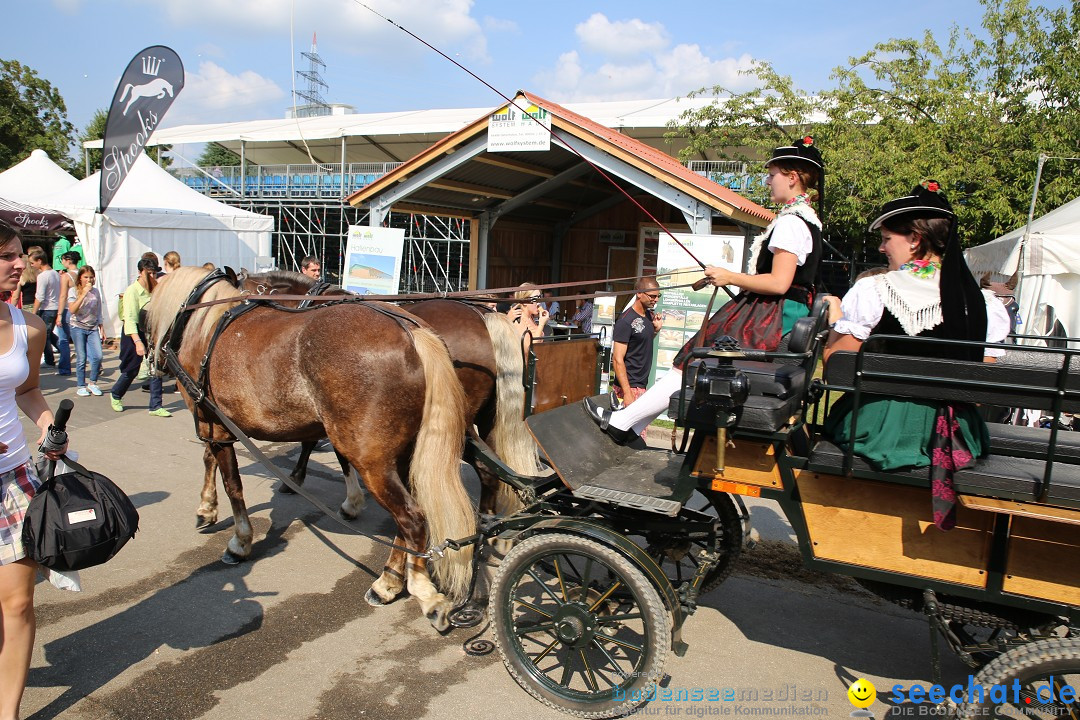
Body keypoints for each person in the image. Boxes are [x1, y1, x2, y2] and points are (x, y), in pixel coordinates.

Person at [585, 137, 825, 443]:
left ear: (793, 178)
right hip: (777, 312)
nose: (768, 181)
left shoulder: (792, 223)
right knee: (694, 355)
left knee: (694, 358)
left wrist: (730, 276)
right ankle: (630, 425)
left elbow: (779, 283)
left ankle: (624, 421)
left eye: (772, 174)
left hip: (773, 317)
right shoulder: (807, 220)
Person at [822, 182, 1010, 530]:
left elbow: (838, 367)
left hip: (880, 427)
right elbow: (984, 374)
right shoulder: (982, 303)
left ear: (914, 239)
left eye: (886, 238)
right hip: (956, 432)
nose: (881, 247)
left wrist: (833, 334)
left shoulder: (875, 289)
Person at [0, 224, 66, 720]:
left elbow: (27, 391)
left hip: (14, 478)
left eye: (19, 255)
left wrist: (49, 430)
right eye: (5, 256)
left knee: (18, 604)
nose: (19, 264)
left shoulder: (29, 326)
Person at [111, 258, 171, 417]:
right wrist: (138, 342)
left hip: (151, 330)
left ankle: (155, 406)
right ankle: (116, 394)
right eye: (148, 273)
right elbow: (129, 319)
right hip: (134, 332)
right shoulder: (132, 291)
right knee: (132, 368)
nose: (152, 276)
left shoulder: (156, 288)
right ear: (140, 272)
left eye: (154, 272)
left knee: (155, 366)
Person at [611, 278, 663, 436]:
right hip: (628, 386)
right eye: (652, 296)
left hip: (641, 386)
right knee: (628, 437)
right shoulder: (626, 321)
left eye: (657, 296)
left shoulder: (648, 316)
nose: (655, 300)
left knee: (637, 436)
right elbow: (617, 359)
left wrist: (655, 330)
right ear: (639, 293)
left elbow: (640, 344)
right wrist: (627, 393)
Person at [67, 266, 106, 397]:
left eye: (91, 277)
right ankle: (81, 385)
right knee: (81, 357)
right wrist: (83, 293)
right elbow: (72, 310)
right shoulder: (73, 291)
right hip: (77, 326)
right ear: (80, 278)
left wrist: (102, 327)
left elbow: (98, 310)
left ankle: (93, 383)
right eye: (85, 277)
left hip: (92, 327)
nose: (89, 280)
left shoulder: (96, 292)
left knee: (98, 356)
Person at [29, 253, 66, 373]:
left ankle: (50, 360)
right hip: (54, 307)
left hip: (47, 308)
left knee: (44, 335)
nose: (32, 265)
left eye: (33, 263)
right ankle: (63, 351)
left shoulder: (43, 276)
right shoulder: (54, 273)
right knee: (48, 333)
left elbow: (39, 296)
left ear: (39, 261)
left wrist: (34, 312)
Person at [54, 251, 81, 380]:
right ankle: (96, 365)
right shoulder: (82, 274)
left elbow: (63, 296)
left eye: (63, 260)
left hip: (67, 308)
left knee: (64, 340)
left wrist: (59, 314)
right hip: (80, 308)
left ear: (68, 260)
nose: (62, 262)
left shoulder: (66, 276)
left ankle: (64, 368)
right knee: (80, 339)